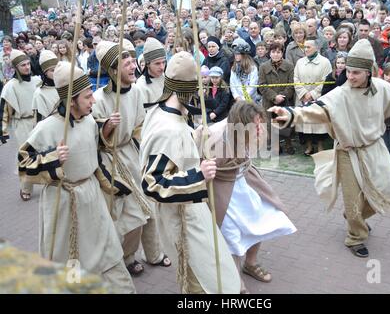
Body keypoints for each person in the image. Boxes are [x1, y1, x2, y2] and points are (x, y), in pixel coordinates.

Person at [269, 39, 390, 258]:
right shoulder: (338, 95)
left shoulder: (382, 88)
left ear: (369, 72)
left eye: (356, 73)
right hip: (347, 151)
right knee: (353, 200)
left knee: (387, 190)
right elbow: (312, 110)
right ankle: (355, 236)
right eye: (349, 71)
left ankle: (355, 217)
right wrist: (288, 114)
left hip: (375, 148)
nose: (351, 76)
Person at [17, 61, 136, 293]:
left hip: (91, 195)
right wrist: (52, 158)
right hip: (63, 200)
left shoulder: (89, 119)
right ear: (71, 101)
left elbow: (92, 143)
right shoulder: (47, 128)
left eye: (92, 95)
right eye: (87, 97)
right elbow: (23, 163)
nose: (93, 101)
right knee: (69, 257)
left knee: (108, 250)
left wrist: (107, 127)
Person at [139, 51, 240, 294]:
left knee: (215, 273)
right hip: (182, 217)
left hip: (191, 207)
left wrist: (195, 138)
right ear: (184, 90)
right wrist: (200, 175)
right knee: (203, 280)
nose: (197, 96)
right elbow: (152, 183)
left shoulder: (165, 111)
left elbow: (176, 155)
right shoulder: (168, 128)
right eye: (194, 91)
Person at [93, 41, 169, 277]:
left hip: (134, 154)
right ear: (113, 71)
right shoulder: (99, 98)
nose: (132, 67)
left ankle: (154, 253)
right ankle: (127, 257)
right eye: (126, 64)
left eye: (132, 62)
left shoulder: (135, 91)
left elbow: (139, 126)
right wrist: (106, 127)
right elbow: (90, 136)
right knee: (130, 214)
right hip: (111, 160)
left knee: (150, 205)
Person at [205, 101, 297, 294]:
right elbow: (201, 167)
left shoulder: (250, 131)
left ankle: (251, 263)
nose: (259, 128)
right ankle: (234, 281)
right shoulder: (214, 137)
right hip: (223, 189)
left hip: (244, 181)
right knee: (231, 238)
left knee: (260, 219)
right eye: (255, 125)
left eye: (260, 123)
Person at [0, 49, 41, 201]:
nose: (27, 67)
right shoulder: (11, 86)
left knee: (43, 153)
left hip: (38, 121)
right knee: (26, 156)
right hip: (21, 123)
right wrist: (2, 130)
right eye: (23, 65)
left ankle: (46, 181)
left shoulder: (37, 81)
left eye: (28, 64)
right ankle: (26, 188)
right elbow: (5, 110)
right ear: (16, 68)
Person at [294, 37, 332, 155]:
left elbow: (326, 80)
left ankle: (320, 146)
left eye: (308, 47)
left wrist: (313, 94)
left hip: (318, 98)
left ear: (316, 48)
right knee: (304, 124)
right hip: (302, 98)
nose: (306, 49)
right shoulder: (300, 62)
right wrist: (304, 93)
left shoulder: (325, 62)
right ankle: (309, 146)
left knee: (319, 124)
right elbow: (295, 79)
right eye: (304, 47)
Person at [258, 42, 295, 155]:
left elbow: (291, 84)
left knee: (286, 122)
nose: (276, 54)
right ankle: (276, 145)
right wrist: (274, 97)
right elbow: (262, 85)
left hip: (285, 100)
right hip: (269, 102)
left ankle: (288, 143)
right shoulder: (263, 67)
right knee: (271, 123)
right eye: (273, 52)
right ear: (269, 53)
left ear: (282, 53)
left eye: (278, 52)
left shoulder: (289, 66)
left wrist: (283, 96)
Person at [135, 38, 166, 111]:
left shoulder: (164, 77)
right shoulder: (141, 86)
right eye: (157, 63)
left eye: (163, 62)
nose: (162, 67)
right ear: (148, 64)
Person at [32, 50, 59, 122]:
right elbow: (39, 121)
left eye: (57, 68)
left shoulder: (65, 86)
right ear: (45, 73)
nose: (56, 72)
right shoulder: (39, 93)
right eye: (52, 70)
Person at [229, 38, 259, 103]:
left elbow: (253, 85)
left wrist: (244, 98)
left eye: (238, 54)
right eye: (235, 54)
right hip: (238, 100)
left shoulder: (253, 68)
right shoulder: (233, 68)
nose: (236, 56)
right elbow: (232, 84)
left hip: (251, 100)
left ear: (244, 54)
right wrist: (237, 97)